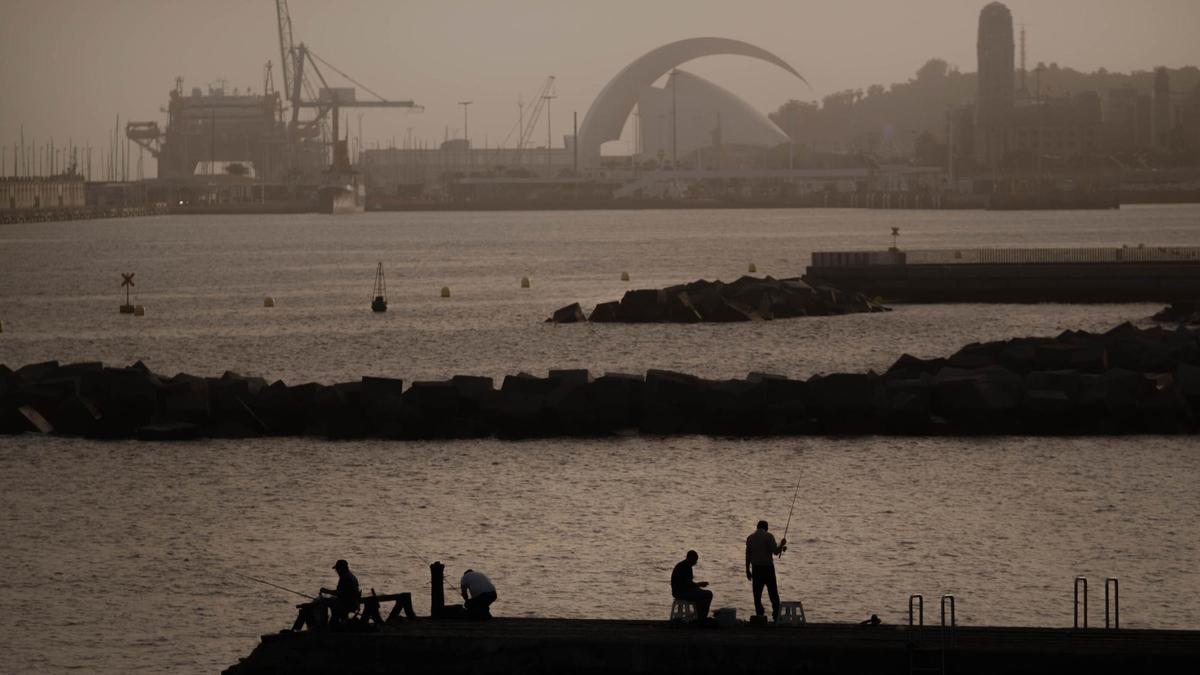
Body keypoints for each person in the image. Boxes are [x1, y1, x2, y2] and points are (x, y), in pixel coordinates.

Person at [745, 520, 786, 622]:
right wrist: (782, 544)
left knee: (757, 594)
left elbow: (748, 556)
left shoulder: (750, 538)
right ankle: (776, 616)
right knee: (773, 594)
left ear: (757, 527)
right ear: (766, 528)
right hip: (768, 569)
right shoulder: (769, 536)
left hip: (756, 569)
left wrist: (747, 570)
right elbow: (776, 552)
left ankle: (759, 615)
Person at [670, 550, 713, 621]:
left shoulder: (685, 565)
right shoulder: (684, 566)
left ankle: (700, 617)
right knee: (708, 594)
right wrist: (699, 584)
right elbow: (687, 584)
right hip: (680, 592)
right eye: (694, 560)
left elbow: (688, 584)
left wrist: (697, 586)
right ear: (690, 558)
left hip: (681, 591)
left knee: (701, 593)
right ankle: (701, 618)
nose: (695, 562)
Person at [321, 559, 362, 624]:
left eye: (337, 569)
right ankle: (337, 620)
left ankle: (325, 623)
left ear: (341, 569)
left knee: (322, 601)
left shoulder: (345, 577)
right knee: (331, 600)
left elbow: (338, 593)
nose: (336, 571)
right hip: (353, 603)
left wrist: (326, 591)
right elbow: (342, 592)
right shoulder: (351, 576)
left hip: (347, 604)